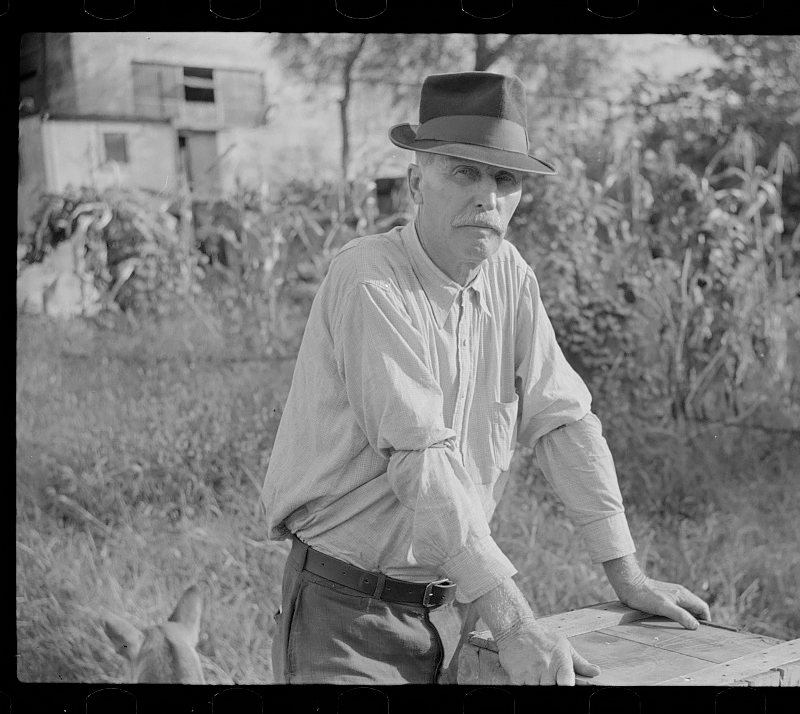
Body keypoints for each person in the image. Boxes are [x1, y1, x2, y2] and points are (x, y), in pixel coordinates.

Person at [261, 71, 711, 686]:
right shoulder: (370, 280)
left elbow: (564, 419)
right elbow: (420, 459)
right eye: (463, 172)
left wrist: (627, 575)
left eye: (505, 179)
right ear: (417, 179)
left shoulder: (509, 274)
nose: (487, 198)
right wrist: (516, 625)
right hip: (346, 616)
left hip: (453, 609)